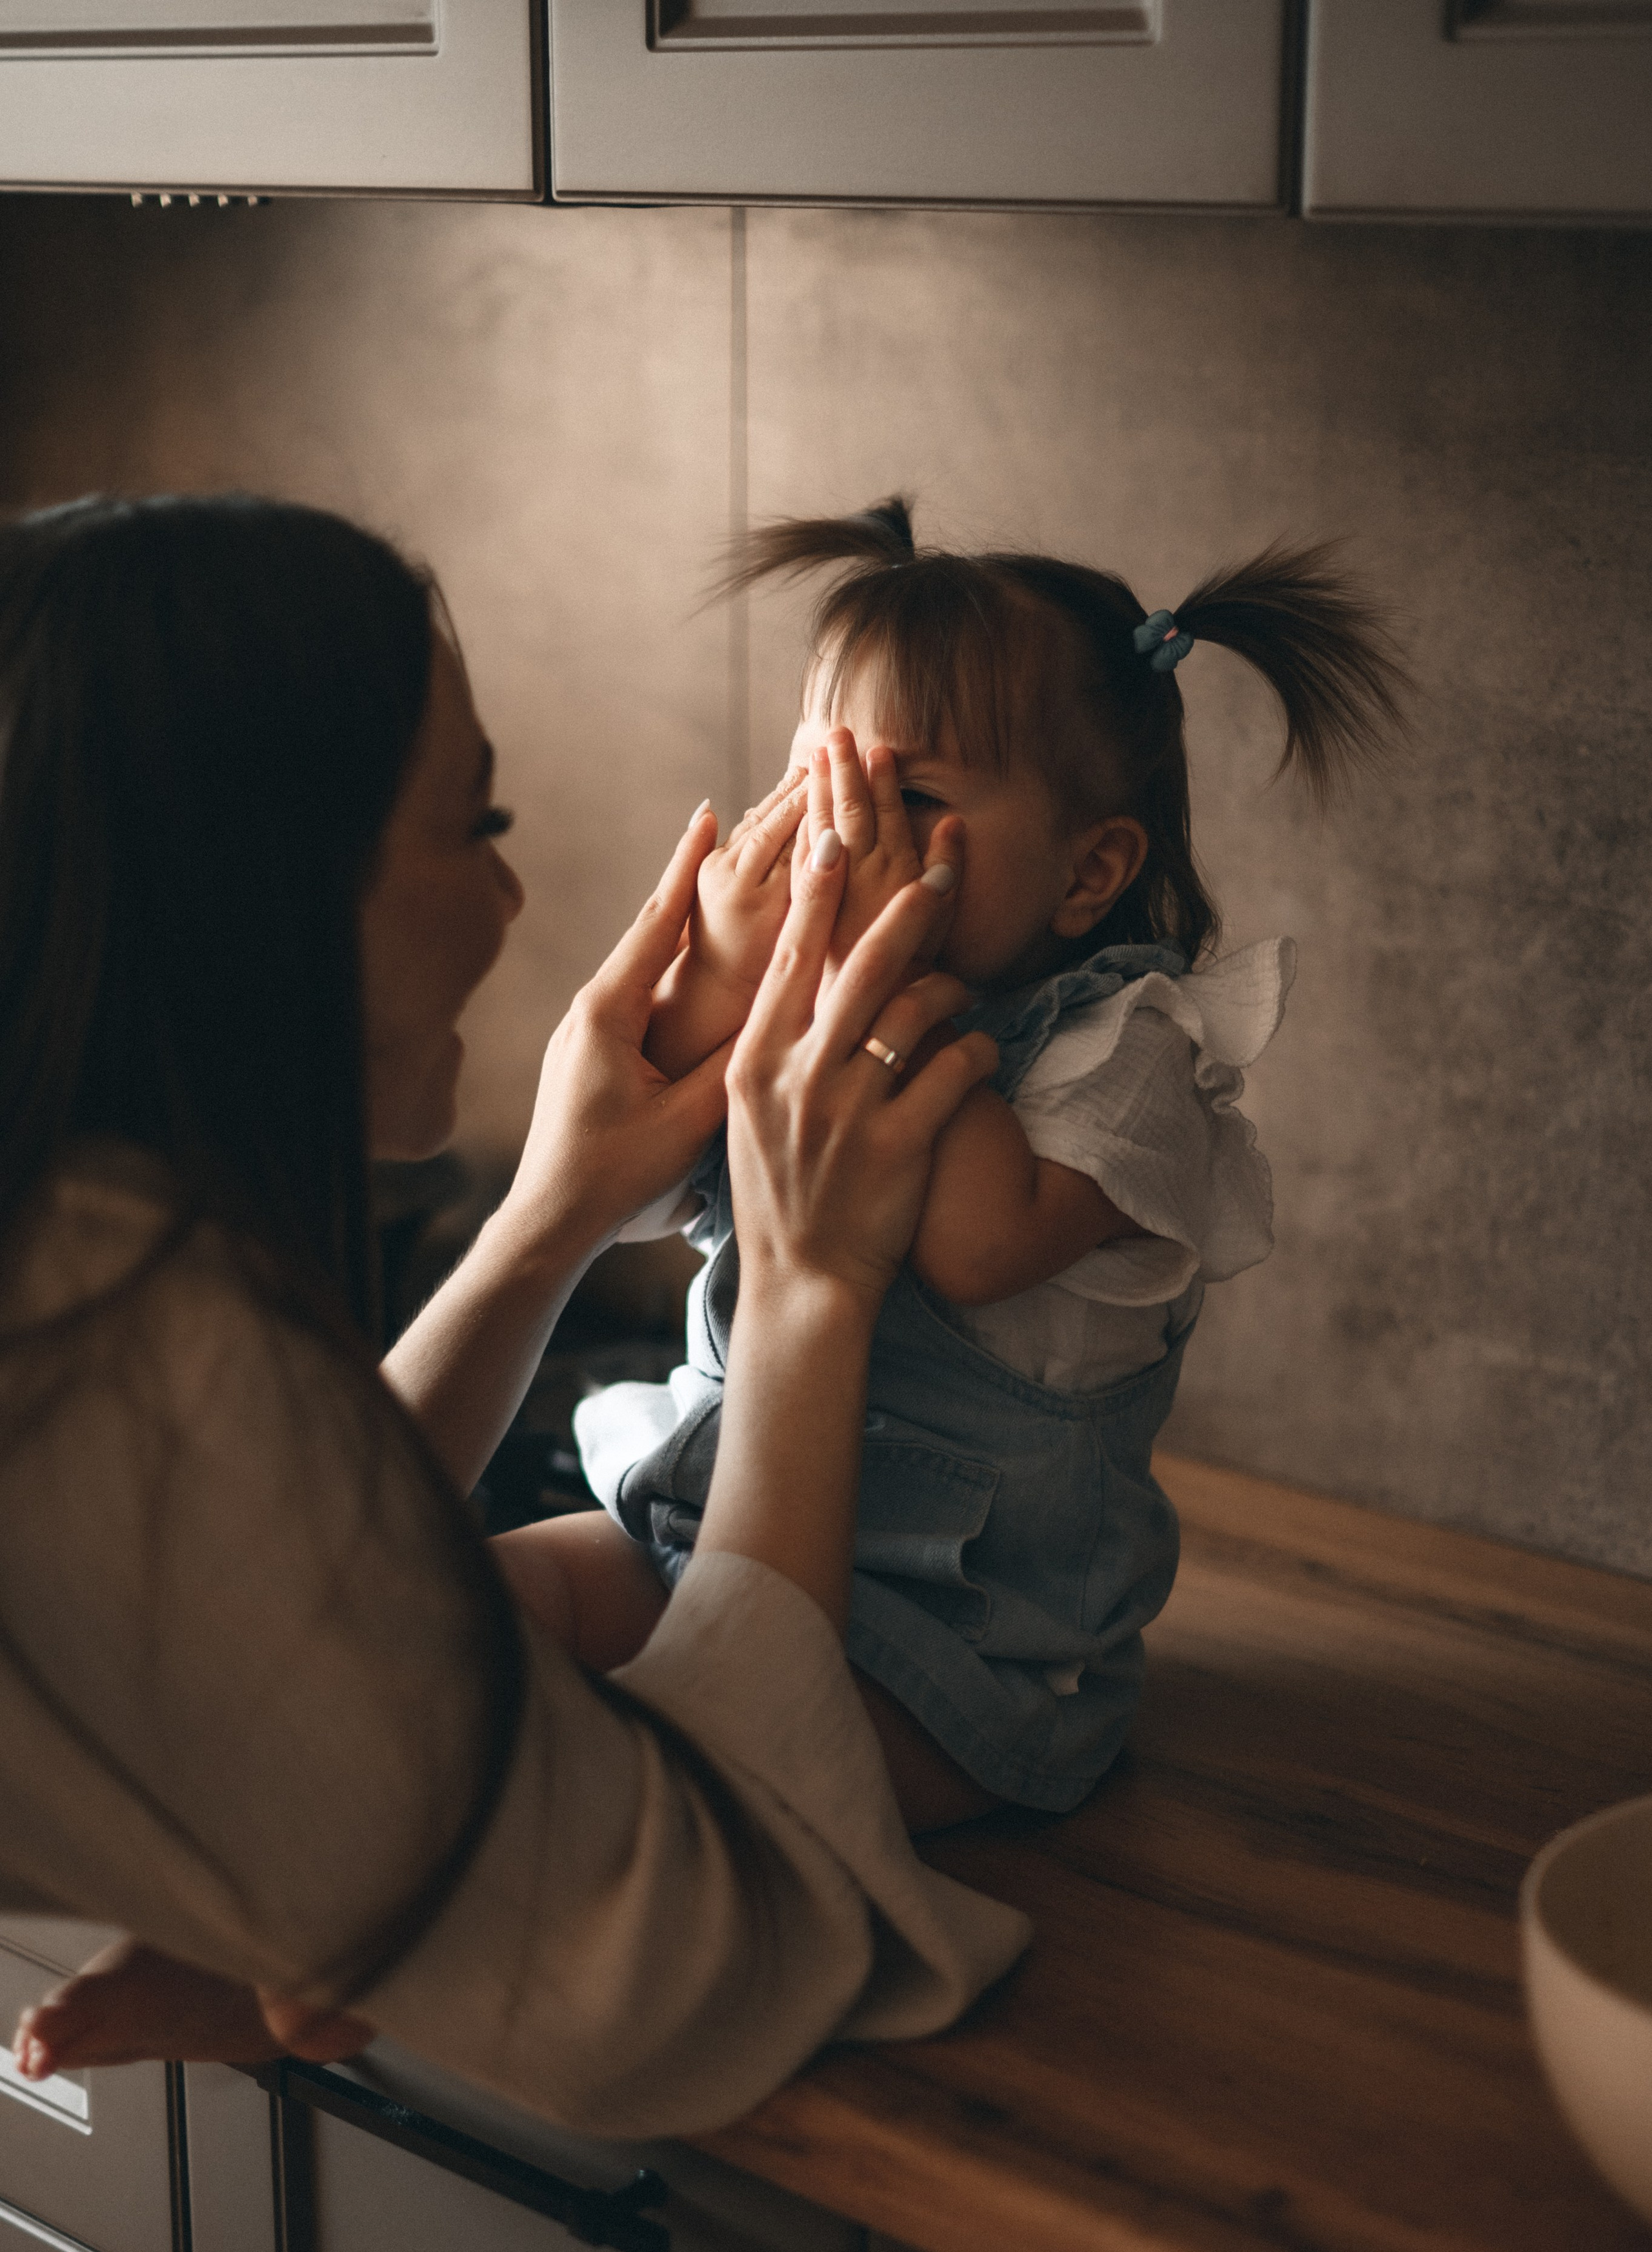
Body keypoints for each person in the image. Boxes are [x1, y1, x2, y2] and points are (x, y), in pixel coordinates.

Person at [3, 491, 1030, 2135]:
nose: (509, 902)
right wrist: (806, 1283)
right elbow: (681, 1962)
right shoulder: (110, 1361)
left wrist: (540, 1229)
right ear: (253, 889)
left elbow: (298, 1586)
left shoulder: (67, 1252)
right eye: (474, 826)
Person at [507, 498, 1408, 1818]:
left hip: (953, 1650)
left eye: (907, 800)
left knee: (670, 1786)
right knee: (458, 1611)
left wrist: (856, 983)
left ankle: (419, 1931)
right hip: (703, 1536)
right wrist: (715, 983)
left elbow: (972, 1247)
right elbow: (633, 1194)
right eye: (825, 789)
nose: (839, 845)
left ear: (1086, 873)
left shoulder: (1131, 1054)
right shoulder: (803, 1007)